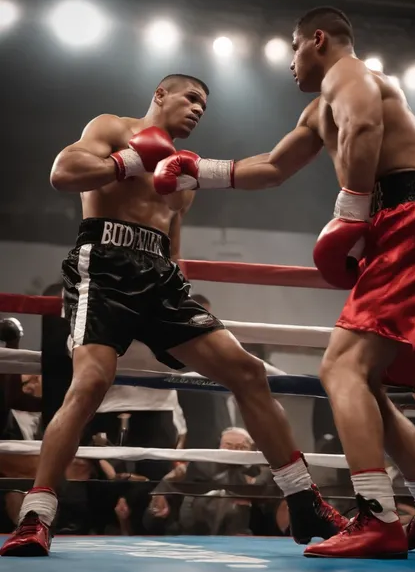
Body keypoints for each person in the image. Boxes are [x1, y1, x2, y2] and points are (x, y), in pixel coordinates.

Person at [152, 10, 415, 559]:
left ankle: (377, 518)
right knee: (363, 384)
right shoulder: (322, 108)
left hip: (408, 218)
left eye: (294, 49)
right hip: (407, 224)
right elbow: (271, 166)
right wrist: (198, 169)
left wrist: (352, 212)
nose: (291, 64)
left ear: (318, 41)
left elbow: (364, 128)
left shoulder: (348, 73)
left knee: (339, 368)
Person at [0, 73, 346, 557]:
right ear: (160, 94)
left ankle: (302, 498)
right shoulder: (113, 127)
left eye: (204, 104)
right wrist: (127, 161)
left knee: (247, 372)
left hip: (162, 279)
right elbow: (63, 173)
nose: (198, 108)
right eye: (191, 97)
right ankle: (36, 516)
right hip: (104, 266)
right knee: (90, 384)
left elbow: (173, 244)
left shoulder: (186, 172)